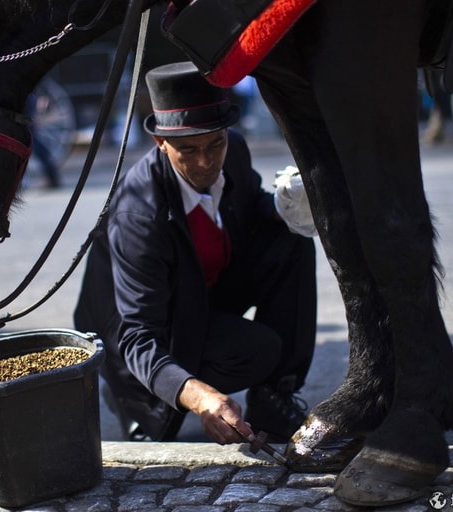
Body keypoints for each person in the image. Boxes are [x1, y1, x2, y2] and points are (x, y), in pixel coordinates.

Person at [74, 62, 318, 444]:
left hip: (201, 290)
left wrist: (287, 205)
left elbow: (250, 206)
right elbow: (138, 337)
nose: (205, 162)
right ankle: (136, 400)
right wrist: (201, 397)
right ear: (160, 143)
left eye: (214, 144)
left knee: (292, 236)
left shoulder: (233, 149)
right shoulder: (139, 213)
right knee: (257, 350)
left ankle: (274, 396)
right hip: (141, 330)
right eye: (187, 150)